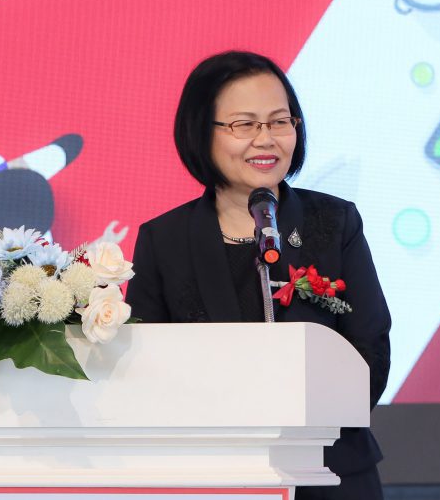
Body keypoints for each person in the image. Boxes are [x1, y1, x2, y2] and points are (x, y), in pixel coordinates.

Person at [126, 51, 392, 500]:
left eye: (279, 122)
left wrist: (304, 426)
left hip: (330, 469)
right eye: (244, 125)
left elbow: (370, 348)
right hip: (212, 475)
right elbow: (145, 367)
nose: (265, 140)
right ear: (202, 132)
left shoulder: (333, 221)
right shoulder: (164, 239)